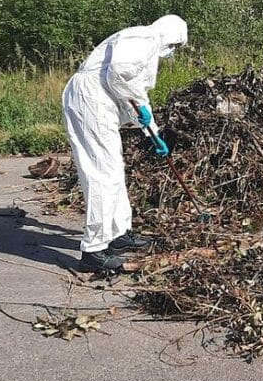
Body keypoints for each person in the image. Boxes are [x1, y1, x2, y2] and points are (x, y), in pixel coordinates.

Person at [61, 15, 188, 272]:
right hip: (90, 101)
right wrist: (141, 108)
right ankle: (94, 251)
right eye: (175, 45)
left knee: (114, 169)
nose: (172, 51)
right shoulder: (145, 38)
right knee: (101, 174)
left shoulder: (146, 44)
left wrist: (153, 132)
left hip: (98, 102)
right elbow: (118, 75)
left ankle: (118, 234)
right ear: (171, 34)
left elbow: (131, 87)